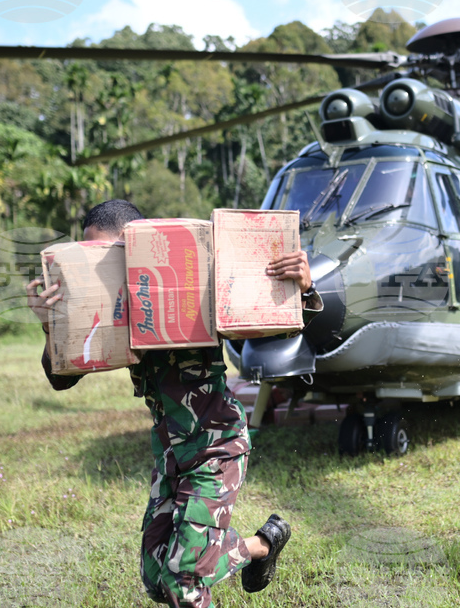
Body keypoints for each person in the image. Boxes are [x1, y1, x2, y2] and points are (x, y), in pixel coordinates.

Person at [25, 200, 322, 607]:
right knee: (156, 576)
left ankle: (233, 552)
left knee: (182, 578)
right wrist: (52, 326)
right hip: (170, 452)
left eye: (106, 257)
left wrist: (302, 289)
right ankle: (260, 545)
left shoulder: (191, 279)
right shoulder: (107, 310)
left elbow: (273, 328)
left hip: (216, 444)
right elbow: (61, 379)